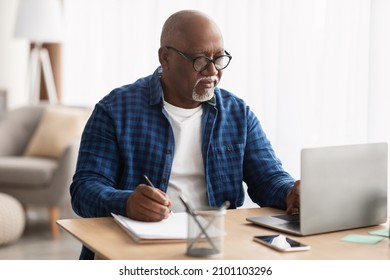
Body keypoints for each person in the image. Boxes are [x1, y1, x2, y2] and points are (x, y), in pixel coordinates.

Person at [70, 9, 300, 260]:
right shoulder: (115, 109)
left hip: (214, 247)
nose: (212, 71)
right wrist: (125, 203)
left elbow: (268, 178)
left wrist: (292, 193)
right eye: (200, 60)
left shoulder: (237, 113)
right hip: (136, 248)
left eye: (219, 58)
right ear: (165, 57)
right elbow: (84, 190)